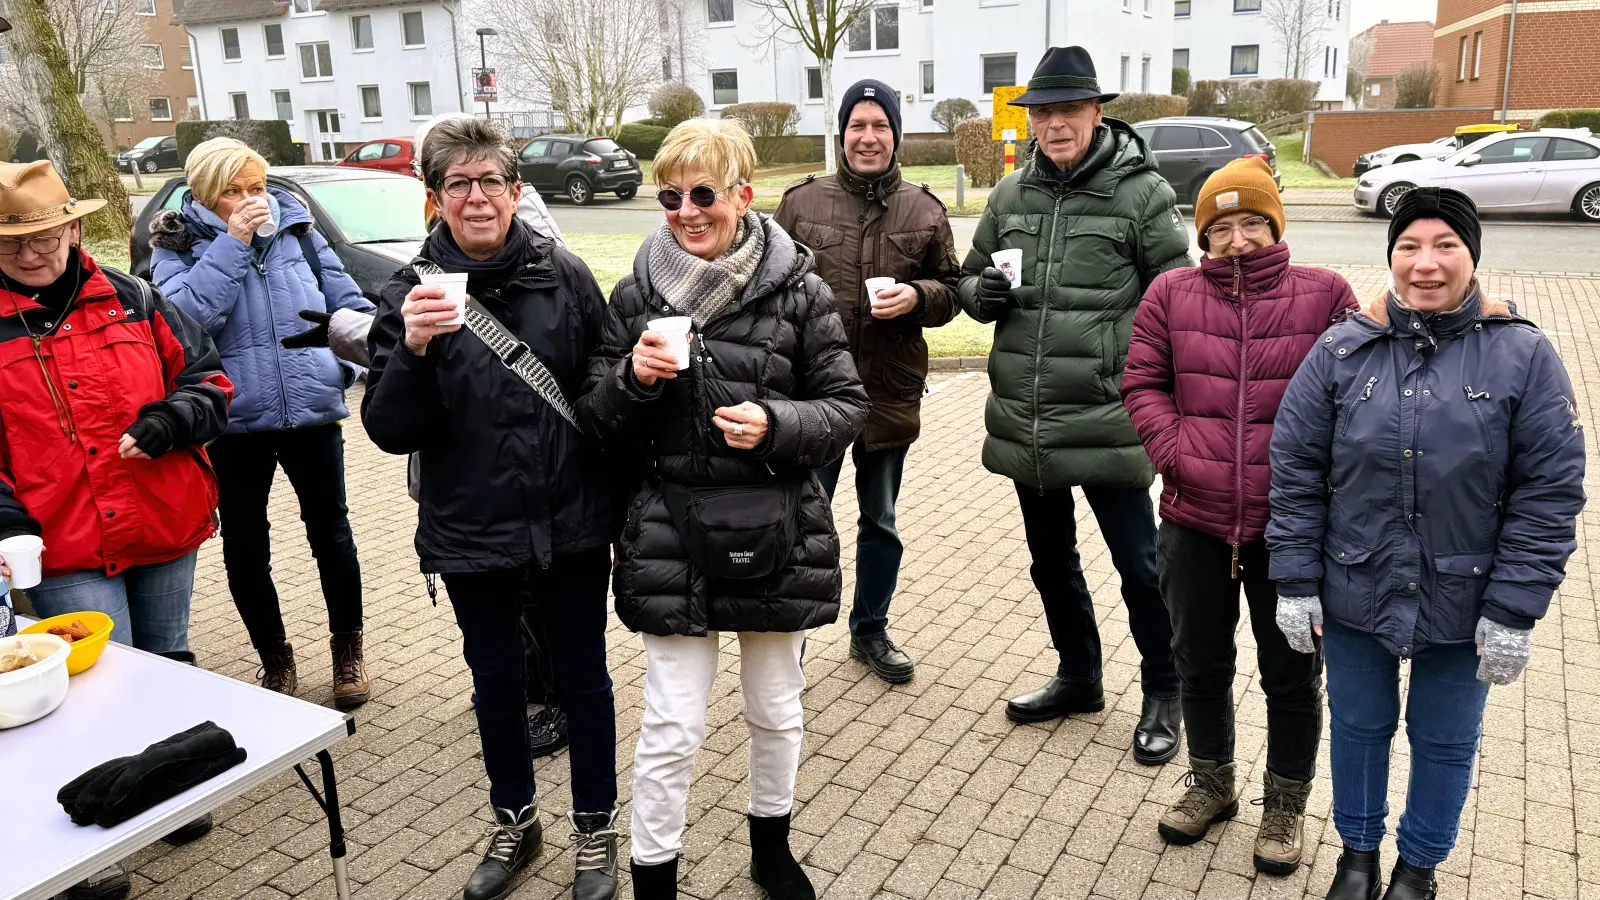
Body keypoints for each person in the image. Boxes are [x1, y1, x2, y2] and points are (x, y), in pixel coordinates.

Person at [579, 118, 868, 900]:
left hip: (775, 525)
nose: (686, 210)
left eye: (703, 193)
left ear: (743, 194)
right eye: (669, 195)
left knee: (774, 711)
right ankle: (654, 879)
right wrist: (633, 382)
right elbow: (596, 421)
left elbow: (846, 406)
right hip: (671, 530)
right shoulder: (637, 293)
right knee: (672, 728)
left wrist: (779, 424)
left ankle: (770, 846)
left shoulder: (799, 290)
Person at [1269, 187, 1585, 900]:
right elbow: (1294, 469)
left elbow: (1550, 488)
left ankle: (1419, 869)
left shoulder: (1522, 355)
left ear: (1472, 257)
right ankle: (1357, 857)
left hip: (1465, 597)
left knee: (1444, 741)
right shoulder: (1342, 350)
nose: (1426, 264)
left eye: (1446, 245)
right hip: (1354, 587)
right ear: (1391, 257)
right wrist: (1293, 579)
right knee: (1358, 726)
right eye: (1409, 246)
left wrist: (1514, 607)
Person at [362, 116, 621, 900]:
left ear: (515, 191)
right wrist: (409, 351)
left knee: (584, 680)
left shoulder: (565, 274)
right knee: (496, 683)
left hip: (571, 519)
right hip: (472, 528)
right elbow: (387, 429)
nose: (477, 199)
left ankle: (596, 827)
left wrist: (629, 390)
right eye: (458, 185)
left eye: (491, 183)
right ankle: (515, 820)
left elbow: (603, 370)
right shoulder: (409, 294)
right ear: (435, 199)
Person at [0, 160, 234, 899]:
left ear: (73, 226)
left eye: (46, 236)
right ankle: (100, 840)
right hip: (61, 540)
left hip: (161, 520)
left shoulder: (136, 299)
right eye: (13, 245)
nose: (34, 255)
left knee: (167, 661)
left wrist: (172, 419)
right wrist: (7, 522)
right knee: (95, 686)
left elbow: (210, 383)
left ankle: (170, 786)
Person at [956, 45, 1191, 763]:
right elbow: (969, 276)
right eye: (1044, 112)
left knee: (1140, 563)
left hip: (1109, 410)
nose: (1055, 124)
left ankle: (1165, 688)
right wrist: (979, 295)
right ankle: (1080, 675)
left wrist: (1136, 372)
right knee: (1050, 560)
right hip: (1031, 417)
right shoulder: (1010, 196)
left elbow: (1176, 293)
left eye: (1068, 110)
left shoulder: (1139, 194)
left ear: (1096, 113)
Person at [1122, 158, 1357, 872]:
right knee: (1200, 662)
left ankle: (1284, 806)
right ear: (1203, 235)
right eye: (1220, 227)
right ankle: (1213, 784)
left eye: (1252, 221)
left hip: (1291, 532)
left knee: (1291, 672)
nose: (1237, 239)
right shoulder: (1170, 294)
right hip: (1193, 519)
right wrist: (1175, 451)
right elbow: (1141, 381)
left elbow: (1360, 395)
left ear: (1275, 223)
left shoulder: (1324, 297)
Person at [150, 138, 374, 708]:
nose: (252, 200)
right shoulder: (176, 245)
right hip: (233, 420)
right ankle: (275, 660)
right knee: (247, 544)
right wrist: (233, 243)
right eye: (233, 191)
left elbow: (349, 305)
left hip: (311, 410)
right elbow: (185, 323)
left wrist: (339, 366)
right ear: (203, 193)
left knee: (333, 534)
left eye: (257, 188)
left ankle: (348, 653)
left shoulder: (298, 227)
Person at [773, 79, 960, 685]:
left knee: (880, 519)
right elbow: (768, 286)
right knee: (805, 516)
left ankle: (871, 629)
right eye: (859, 125)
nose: (869, 137)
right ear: (842, 133)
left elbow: (952, 291)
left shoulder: (925, 210)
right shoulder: (801, 204)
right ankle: (789, 642)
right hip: (814, 394)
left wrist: (915, 296)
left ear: (896, 135)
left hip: (887, 389)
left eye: (881, 126)